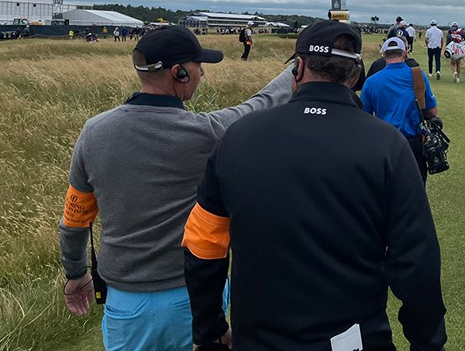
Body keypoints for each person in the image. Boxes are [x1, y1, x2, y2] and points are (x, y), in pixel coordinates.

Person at [183, 21, 447, 350]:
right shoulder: (388, 146)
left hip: (258, 339)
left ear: (299, 67)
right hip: (355, 340)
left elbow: (203, 245)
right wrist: (427, 343)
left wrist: (209, 330)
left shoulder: (238, 137)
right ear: (355, 76)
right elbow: (417, 260)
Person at [58, 25, 293, 351]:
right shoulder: (205, 133)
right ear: (179, 73)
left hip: (125, 303)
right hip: (191, 296)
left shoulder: (93, 132)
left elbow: (74, 220)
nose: (202, 75)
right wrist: (300, 67)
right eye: (199, 67)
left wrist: (75, 273)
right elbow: (261, 104)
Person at [361, 36, 438, 183]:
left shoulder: (371, 82)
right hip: (413, 142)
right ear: (404, 52)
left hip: (383, 142)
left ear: (383, 54)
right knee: (416, 188)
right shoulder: (418, 75)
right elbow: (433, 112)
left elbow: (365, 119)